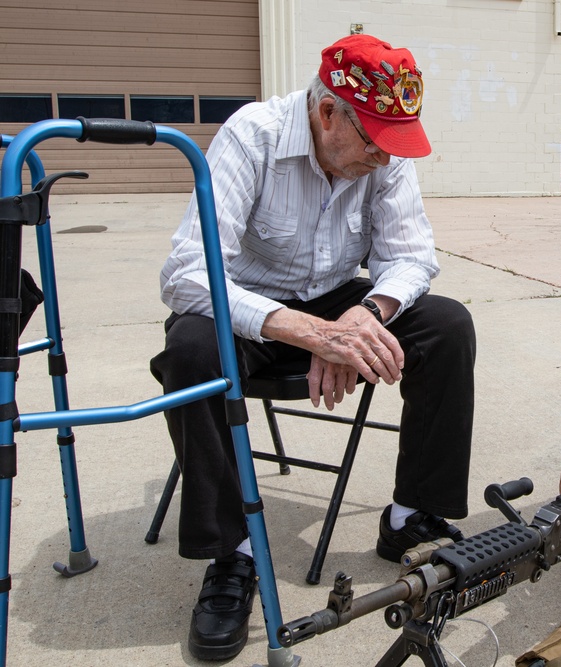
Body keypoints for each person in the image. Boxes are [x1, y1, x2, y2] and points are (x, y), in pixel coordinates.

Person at [149, 34, 475, 661]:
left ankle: (412, 515)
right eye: (374, 141)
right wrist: (309, 333)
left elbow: (411, 258)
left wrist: (364, 315)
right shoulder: (253, 137)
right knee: (192, 353)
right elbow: (189, 275)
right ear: (328, 114)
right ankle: (232, 554)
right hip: (250, 308)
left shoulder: (384, 153)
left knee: (447, 326)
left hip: (336, 297)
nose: (384, 159)